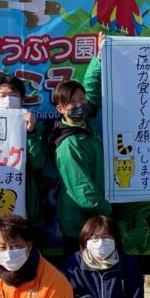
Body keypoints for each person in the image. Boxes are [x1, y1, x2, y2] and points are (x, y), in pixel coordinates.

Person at [51, 79, 112, 253]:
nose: (79, 105)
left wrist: (98, 60)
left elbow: (91, 90)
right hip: (80, 225)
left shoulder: (86, 126)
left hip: (93, 221)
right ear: (60, 109)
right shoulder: (69, 144)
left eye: (81, 99)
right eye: (72, 102)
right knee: (80, 274)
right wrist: (108, 209)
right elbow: (82, 191)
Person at [0, 74, 47, 229]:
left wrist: (30, 133)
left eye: (13, 95)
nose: (8, 99)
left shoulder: (37, 127)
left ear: (23, 99)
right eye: (3, 95)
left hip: (26, 200)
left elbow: (38, 162)